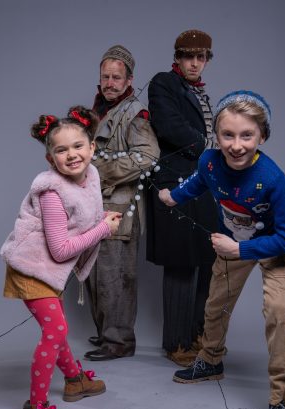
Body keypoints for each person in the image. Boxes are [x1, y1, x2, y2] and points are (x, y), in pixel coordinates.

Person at [158, 91, 285, 409]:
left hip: (273, 246)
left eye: (247, 136)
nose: (236, 145)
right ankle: (210, 360)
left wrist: (240, 249)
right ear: (217, 136)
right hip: (234, 242)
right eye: (228, 135)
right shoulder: (209, 161)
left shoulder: (272, 178)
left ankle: (281, 402)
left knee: (278, 311)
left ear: (262, 137)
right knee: (216, 305)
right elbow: (200, 181)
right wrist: (174, 196)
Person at [0, 106, 122, 409]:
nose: (72, 155)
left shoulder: (91, 175)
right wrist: (103, 229)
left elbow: (82, 216)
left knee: (58, 329)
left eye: (78, 146)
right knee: (56, 330)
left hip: (49, 268)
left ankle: (74, 380)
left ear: (92, 147)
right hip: (31, 268)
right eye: (61, 150)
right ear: (50, 158)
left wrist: (101, 218)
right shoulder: (51, 192)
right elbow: (60, 250)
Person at [84, 45, 160, 361]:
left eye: (117, 77)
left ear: (129, 80)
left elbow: (148, 156)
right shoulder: (99, 109)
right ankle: (107, 333)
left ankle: (119, 341)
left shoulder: (135, 113)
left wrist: (97, 169)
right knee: (96, 274)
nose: (110, 83)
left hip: (120, 207)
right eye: (106, 77)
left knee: (115, 276)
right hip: (95, 206)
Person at [146, 29, 217, 367]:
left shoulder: (200, 92)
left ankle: (197, 335)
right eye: (188, 56)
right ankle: (176, 343)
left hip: (201, 183)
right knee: (181, 263)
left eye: (200, 57)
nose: (194, 63)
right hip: (174, 183)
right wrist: (213, 148)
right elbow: (169, 127)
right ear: (177, 57)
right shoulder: (164, 83)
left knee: (206, 259)